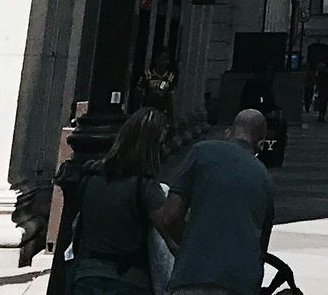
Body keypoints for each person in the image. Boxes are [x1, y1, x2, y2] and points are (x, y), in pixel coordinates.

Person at [154, 110, 275, 295]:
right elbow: (261, 249)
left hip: (193, 277)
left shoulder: (201, 152)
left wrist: (190, 246)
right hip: (240, 284)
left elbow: (170, 217)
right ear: (260, 143)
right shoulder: (265, 179)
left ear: (228, 132)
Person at [65, 107, 171, 295]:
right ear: (154, 147)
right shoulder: (145, 187)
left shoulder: (91, 176)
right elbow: (169, 234)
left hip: (87, 275)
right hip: (128, 280)